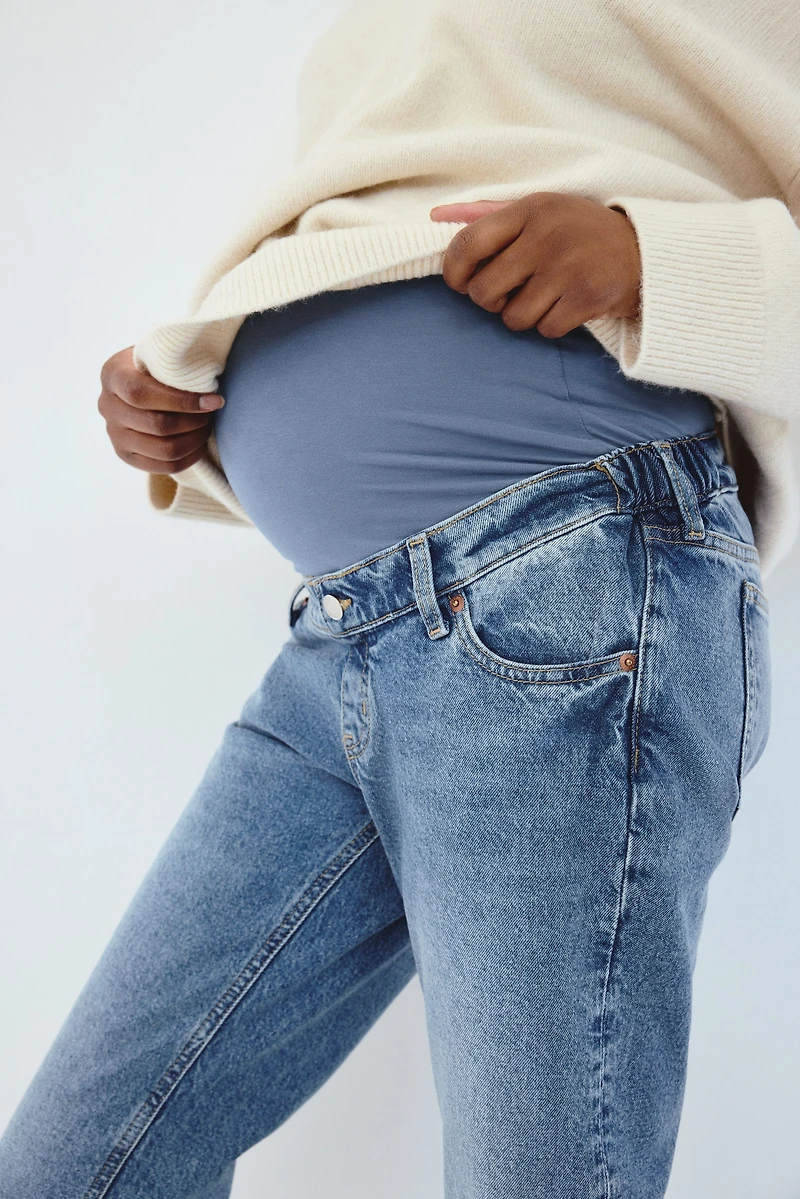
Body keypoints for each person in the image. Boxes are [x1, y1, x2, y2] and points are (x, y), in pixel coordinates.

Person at [1, 1, 796, 1196]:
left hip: (562, 583)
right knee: (75, 1165)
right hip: (344, 628)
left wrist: (658, 257)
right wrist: (207, 383)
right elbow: (369, 229)